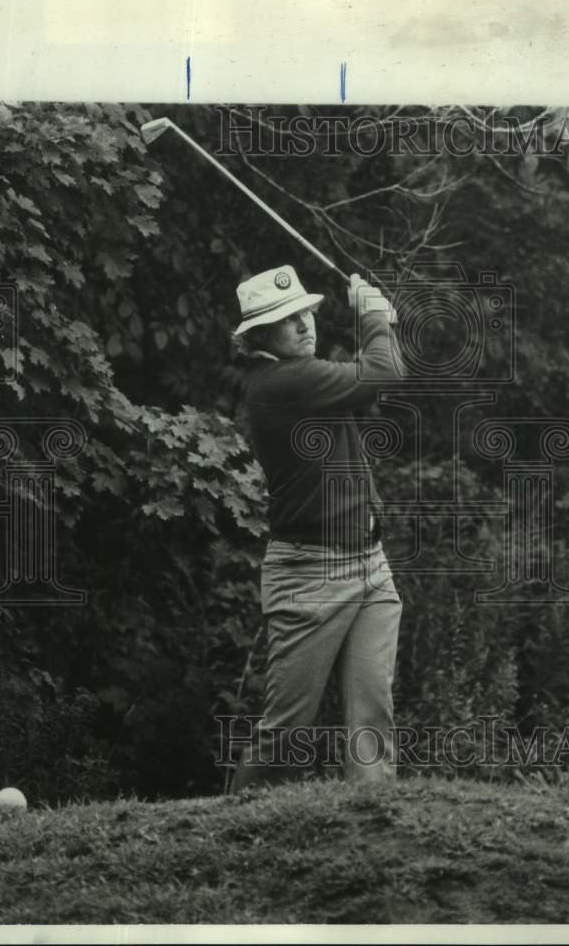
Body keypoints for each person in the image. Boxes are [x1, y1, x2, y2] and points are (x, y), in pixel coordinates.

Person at [230, 264, 405, 792]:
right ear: (262, 337)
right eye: (288, 319)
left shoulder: (306, 376)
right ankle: (232, 838)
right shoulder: (281, 384)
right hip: (311, 577)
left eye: (305, 312)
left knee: (372, 717)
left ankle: (375, 826)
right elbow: (384, 372)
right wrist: (373, 314)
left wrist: (378, 325)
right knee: (285, 733)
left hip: (371, 567)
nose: (305, 324)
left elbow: (378, 368)